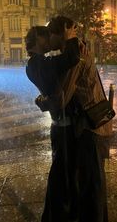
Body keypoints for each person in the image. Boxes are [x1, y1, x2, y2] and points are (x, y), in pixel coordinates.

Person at [45, 16, 110, 222]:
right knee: (90, 182)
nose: (48, 40)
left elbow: (64, 94)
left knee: (92, 185)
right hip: (89, 124)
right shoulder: (73, 51)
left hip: (91, 127)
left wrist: (46, 103)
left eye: (51, 34)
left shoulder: (77, 53)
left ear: (61, 32)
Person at [25, 24, 81, 222]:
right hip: (63, 127)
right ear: (38, 40)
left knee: (63, 173)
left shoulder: (37, 64)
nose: (50, 40)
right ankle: (56, 215)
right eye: (46, 37)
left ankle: (61, 213)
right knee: (62, 175)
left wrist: (43, 101)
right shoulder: (38, 64)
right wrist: (71, 37)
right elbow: (72, 58)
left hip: (60, 125)